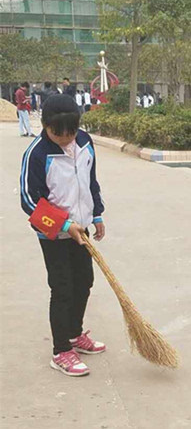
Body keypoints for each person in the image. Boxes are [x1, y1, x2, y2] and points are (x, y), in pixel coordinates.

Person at [20, 94, 106, 377]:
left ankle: (74, 334)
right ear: (45, 126)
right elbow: (29, 202)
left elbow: (90, 183)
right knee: (62, 288)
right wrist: (65, 225)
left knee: (84, 282)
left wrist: (96, 215)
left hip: (82, 230)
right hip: (54, 236)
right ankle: (60, 351)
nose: (66, 138)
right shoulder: (37, 154)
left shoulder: (84, 142)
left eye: (71, 132)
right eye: (59, 133)